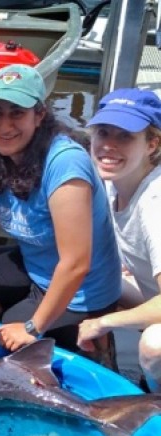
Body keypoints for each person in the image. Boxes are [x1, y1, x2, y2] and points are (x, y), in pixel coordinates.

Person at [0, 64, 121, 355]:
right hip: (33, 268)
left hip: (81, 293)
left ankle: (81, 334)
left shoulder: (65, 163)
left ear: (39, 115)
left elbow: (76, 263)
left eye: (17, 112)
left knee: (11, 335)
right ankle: (19, 314)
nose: (5, 126)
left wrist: (32, 327)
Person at [77, 88, 161, 390]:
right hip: (150, 292)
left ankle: (153, 408)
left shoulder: (154, 203)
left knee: (155, 345)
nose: (109, 146)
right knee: (94, 272)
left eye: (125, 136)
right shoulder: (115, 184)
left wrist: (103, 322)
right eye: (103, 133)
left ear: (152, 144)